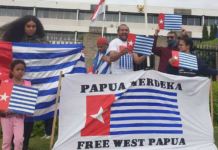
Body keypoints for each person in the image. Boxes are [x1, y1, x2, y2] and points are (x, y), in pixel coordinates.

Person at [1, 15, 49, 150]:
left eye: (34, 26)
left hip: (34, 81)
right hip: (14, 82)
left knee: (27, 114)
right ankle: (10, 144)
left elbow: (52, 55)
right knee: (11, 111)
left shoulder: (43, 42)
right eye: (28, 26)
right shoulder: (13, 40)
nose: (31, 29)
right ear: (23, 26)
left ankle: (25, 144)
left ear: (37, 28)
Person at [0, 60, 32, 150]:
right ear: (12, 71)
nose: (20, 71)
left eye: (22, 69)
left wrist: (28, 111)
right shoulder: (6, 83)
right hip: (6, 117)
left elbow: (28, 101)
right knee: (6, 140)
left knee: (19, 140)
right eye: (17, 69)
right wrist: (2, 110)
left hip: (19, 117)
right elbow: (1, 100)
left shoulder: (27, 84)